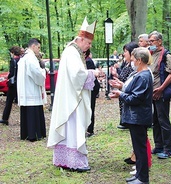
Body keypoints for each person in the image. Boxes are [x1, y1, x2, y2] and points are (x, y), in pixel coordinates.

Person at [47, 17, 97, 172]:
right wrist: (93, 72)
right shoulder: (72, 52)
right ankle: (75, 162)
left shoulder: (73, 51)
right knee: (74, 128)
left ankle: (65, 159)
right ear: (81, 39)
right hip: (73, 99)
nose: (88, 47)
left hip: (71, 96)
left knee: (70, 129)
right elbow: (77, 75)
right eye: (88, 43)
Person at [109, 47, 153, 184]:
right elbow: (133, 91)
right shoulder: (139, 74)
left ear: (139, 61)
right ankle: (139, 175)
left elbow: (135, 98)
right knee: (138, 149)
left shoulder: (143, 76)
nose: (131, 62)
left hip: (138, 117)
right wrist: (121, 87)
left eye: (133, 59)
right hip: (135, 117)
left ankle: (143, 178)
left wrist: (120, 94)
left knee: (140, 149)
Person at [148, 31, 171, 159]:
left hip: (161, 93)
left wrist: (161, 89)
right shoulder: (151, 54)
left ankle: (168, 148)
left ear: (159, 41)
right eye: (149, 41)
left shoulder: (166, 55)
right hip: (152, 93)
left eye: (152, 41)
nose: (150, 44)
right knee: (155, 120)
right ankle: (158, 145)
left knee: (163, 120)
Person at [17, 38, 46, 142]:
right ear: (33, 46)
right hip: (31, 89)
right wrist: (43, 72)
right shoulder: (31, 57)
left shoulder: (24, 57)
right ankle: (34, 134)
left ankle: (26, 133)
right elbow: (36, 73)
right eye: (38, 47)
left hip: (26, 89)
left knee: (27, 112)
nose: (38, 50)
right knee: (33, 111)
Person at [117, 42, 139, 130]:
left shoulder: (135, 67)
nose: (124, 53)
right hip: (123, 90)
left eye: (126, 51)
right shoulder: (126, 63)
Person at [0, 46, 22, 125]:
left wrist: (8, 77)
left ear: (13, 52)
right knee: (21, 102)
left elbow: (12, 73)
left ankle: (5, 119)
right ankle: (24, 119)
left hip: (13, 85)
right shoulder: (22, 60)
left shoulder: (13, 61)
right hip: (20, 83)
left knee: (9, 101)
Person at [85, 49, 100, 137]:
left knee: (90, 107)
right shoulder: (86, 60)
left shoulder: (88, 61)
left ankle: (90, 130)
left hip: (92, 87)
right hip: (90, 87)